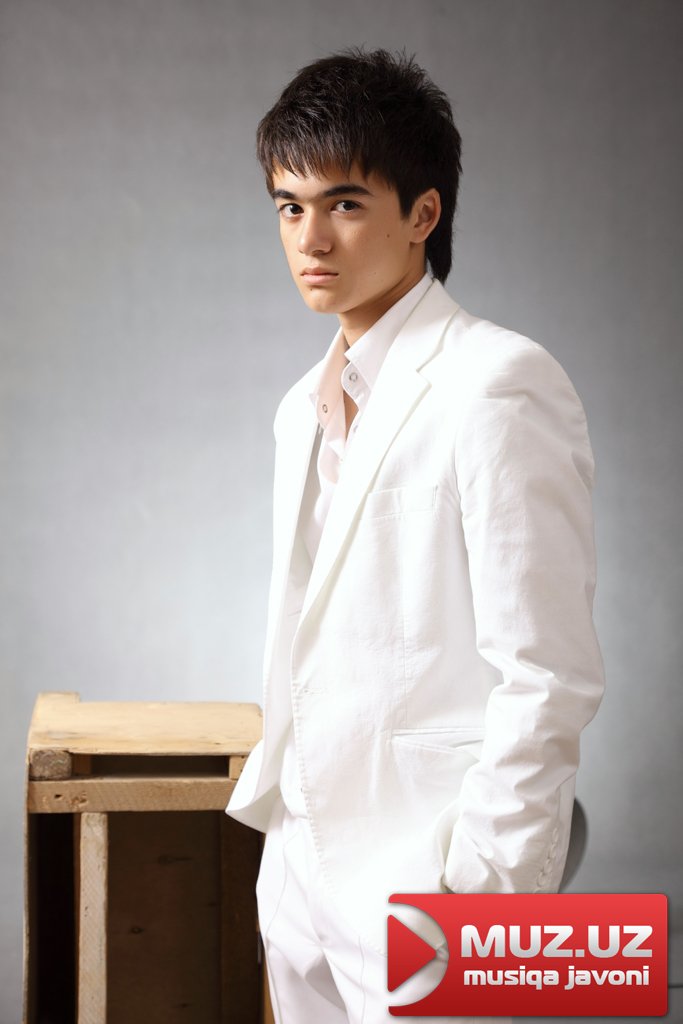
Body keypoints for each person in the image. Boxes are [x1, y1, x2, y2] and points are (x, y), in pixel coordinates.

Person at [226, 47, 605, 1023]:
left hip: (430, 877)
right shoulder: (298, 409)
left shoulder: (497, 383)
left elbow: (547, 672)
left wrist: (481, 889)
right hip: (301, 872)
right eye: (288, 206)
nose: (310, 238)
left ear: (422, 214)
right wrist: (283, 849)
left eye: (345, 203)